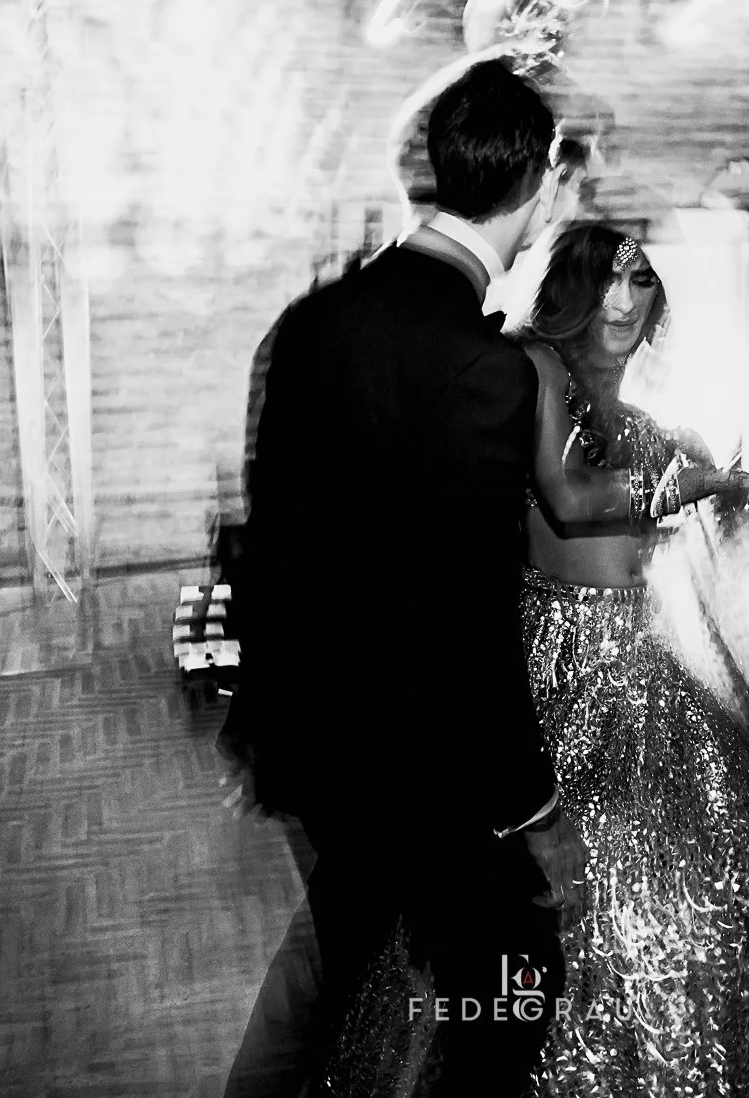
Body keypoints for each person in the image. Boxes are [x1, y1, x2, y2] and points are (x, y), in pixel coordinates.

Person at [222, 59, 614, 1098]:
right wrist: (532, 807)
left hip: (315, 733)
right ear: (536, 189)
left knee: (338, 952)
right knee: (518, 984)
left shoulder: (312, 323)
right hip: (419, 760)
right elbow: (471, 613)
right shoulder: (480, 367)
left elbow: (276, 542)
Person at [510, 223, 749, 1097]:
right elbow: (569, 499)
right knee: (578, 874)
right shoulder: (534, 368)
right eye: (604, 281)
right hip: (564, 659)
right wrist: (696, 482)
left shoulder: (649, 426)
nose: (622, 301)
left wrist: (725, 492)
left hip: (651, 659)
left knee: (722, 868)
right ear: (567, 294)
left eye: (639, 281)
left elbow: (702, 529)